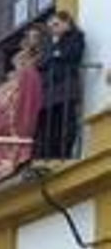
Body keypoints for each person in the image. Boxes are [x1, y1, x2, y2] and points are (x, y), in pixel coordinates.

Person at [37, 9, 86, 159]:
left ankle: (63, 153)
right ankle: (48, 154)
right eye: (50, 26)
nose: (53, 29)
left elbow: (73, 54)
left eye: (56, 24)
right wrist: (55, 55)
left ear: (67, 23)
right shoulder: (48, 43)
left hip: (66, 86)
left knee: (66, 122)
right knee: (48, 125)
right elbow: (42, 63)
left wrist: (55, 55)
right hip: (49, 89)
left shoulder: (76, 36)